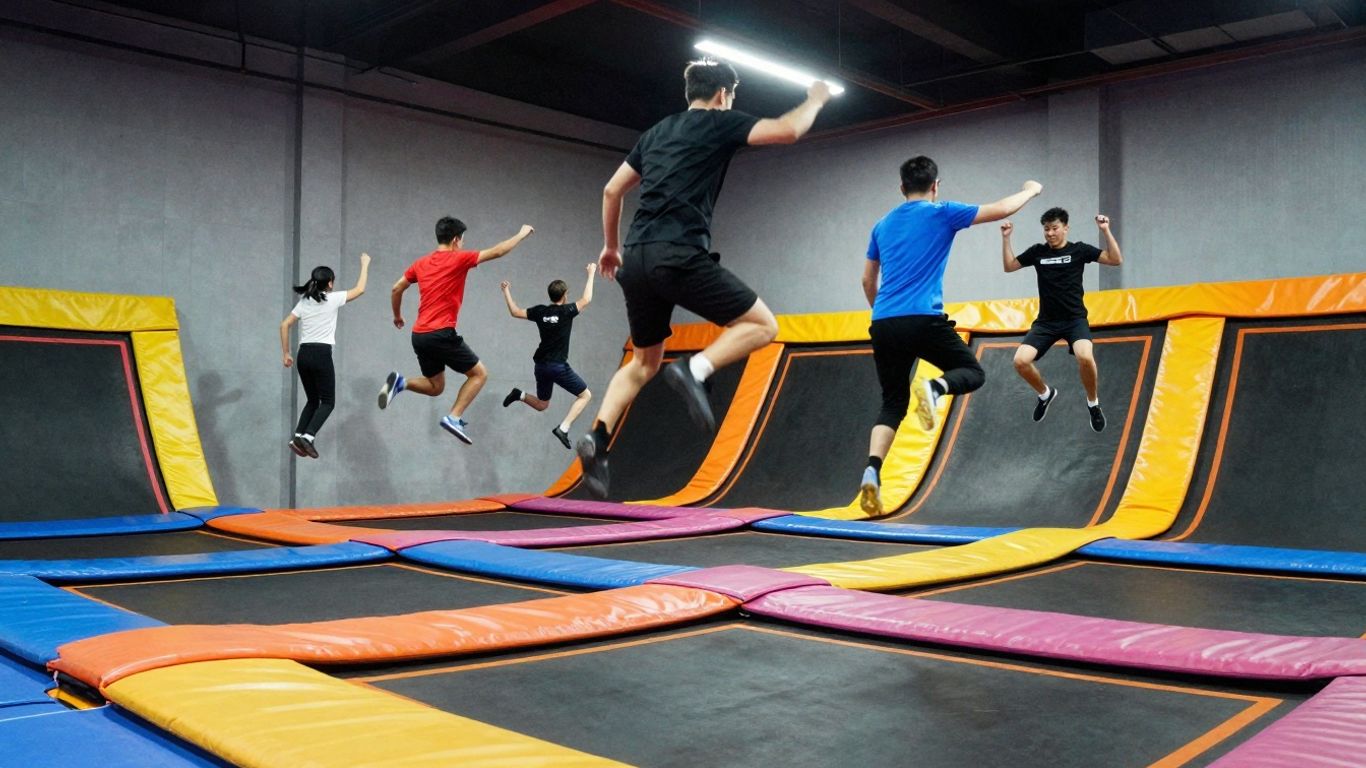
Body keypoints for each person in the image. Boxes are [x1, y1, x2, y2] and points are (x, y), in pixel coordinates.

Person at [576, 59, 833, 498]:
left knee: (643, 362)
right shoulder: (718, 122)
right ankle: (695, 370)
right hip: (676, 253)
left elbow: (611, 189)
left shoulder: (655, 133)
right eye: (730, 97)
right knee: (762, 325)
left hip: (635, 261)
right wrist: (816, 98)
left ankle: (597, 439)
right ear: (721, 96)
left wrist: (611, 247)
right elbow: (788, 130)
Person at [857, 156, 1043, 517]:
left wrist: (881, 315)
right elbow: (1002, 208)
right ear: (936, 185)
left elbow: (867, 280)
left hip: (884, 323)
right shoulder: (942, 212)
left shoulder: (881, 225)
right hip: (923, 318)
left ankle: (872, 470)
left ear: (900, 188)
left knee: (892, 402)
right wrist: (1031, 190)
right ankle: (936, 388)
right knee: (972, 372)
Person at [377, 216, 534, 445]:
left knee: (435, 387)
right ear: (455, 240)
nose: (462, 244)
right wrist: (521, 233)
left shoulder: (420, 263)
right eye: (462, 240)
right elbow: (498, 251)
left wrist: (397, 315)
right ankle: (454, 417)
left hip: (419, 336)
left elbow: (396, 287)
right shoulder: (458, 258)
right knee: (479, 374)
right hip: (441, 333)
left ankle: (401, 383)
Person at [1001, 208, 1124, 432]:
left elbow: (1115, 259)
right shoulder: (1037, 252)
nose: (1050, 233)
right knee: (1020, 361)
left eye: (1054, 228)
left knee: (1085, 356)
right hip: (1046, 322)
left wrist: (1105, 230)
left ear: (1065, 228)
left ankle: (1093, 404)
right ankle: (1045, 394)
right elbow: (1009, 266)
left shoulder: (1079, 250)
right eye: (1046, 229)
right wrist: (1006, 238)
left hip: (1075, 319)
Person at [279, 253, 370, 458]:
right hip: (321, 354)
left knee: (312, 400)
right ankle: (308, 437)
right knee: (328, 402)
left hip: (303, 355)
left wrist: (286, 353)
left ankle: (297, 436)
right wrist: (365, 264)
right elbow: (360, 289)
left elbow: (284, 325)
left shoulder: (305, 302)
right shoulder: (333, 298)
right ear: (330, 283)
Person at [500, 264, 597, 449]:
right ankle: (564, 428)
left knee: (542, 404)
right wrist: (591, 273)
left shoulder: (540, 312)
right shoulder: (567, 311)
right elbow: (587, 298)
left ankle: (518, 394)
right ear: (565, 295)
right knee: (585, 396)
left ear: (550, 295)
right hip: (557, 367)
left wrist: (506, 291)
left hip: (541, 367)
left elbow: (515, 312)